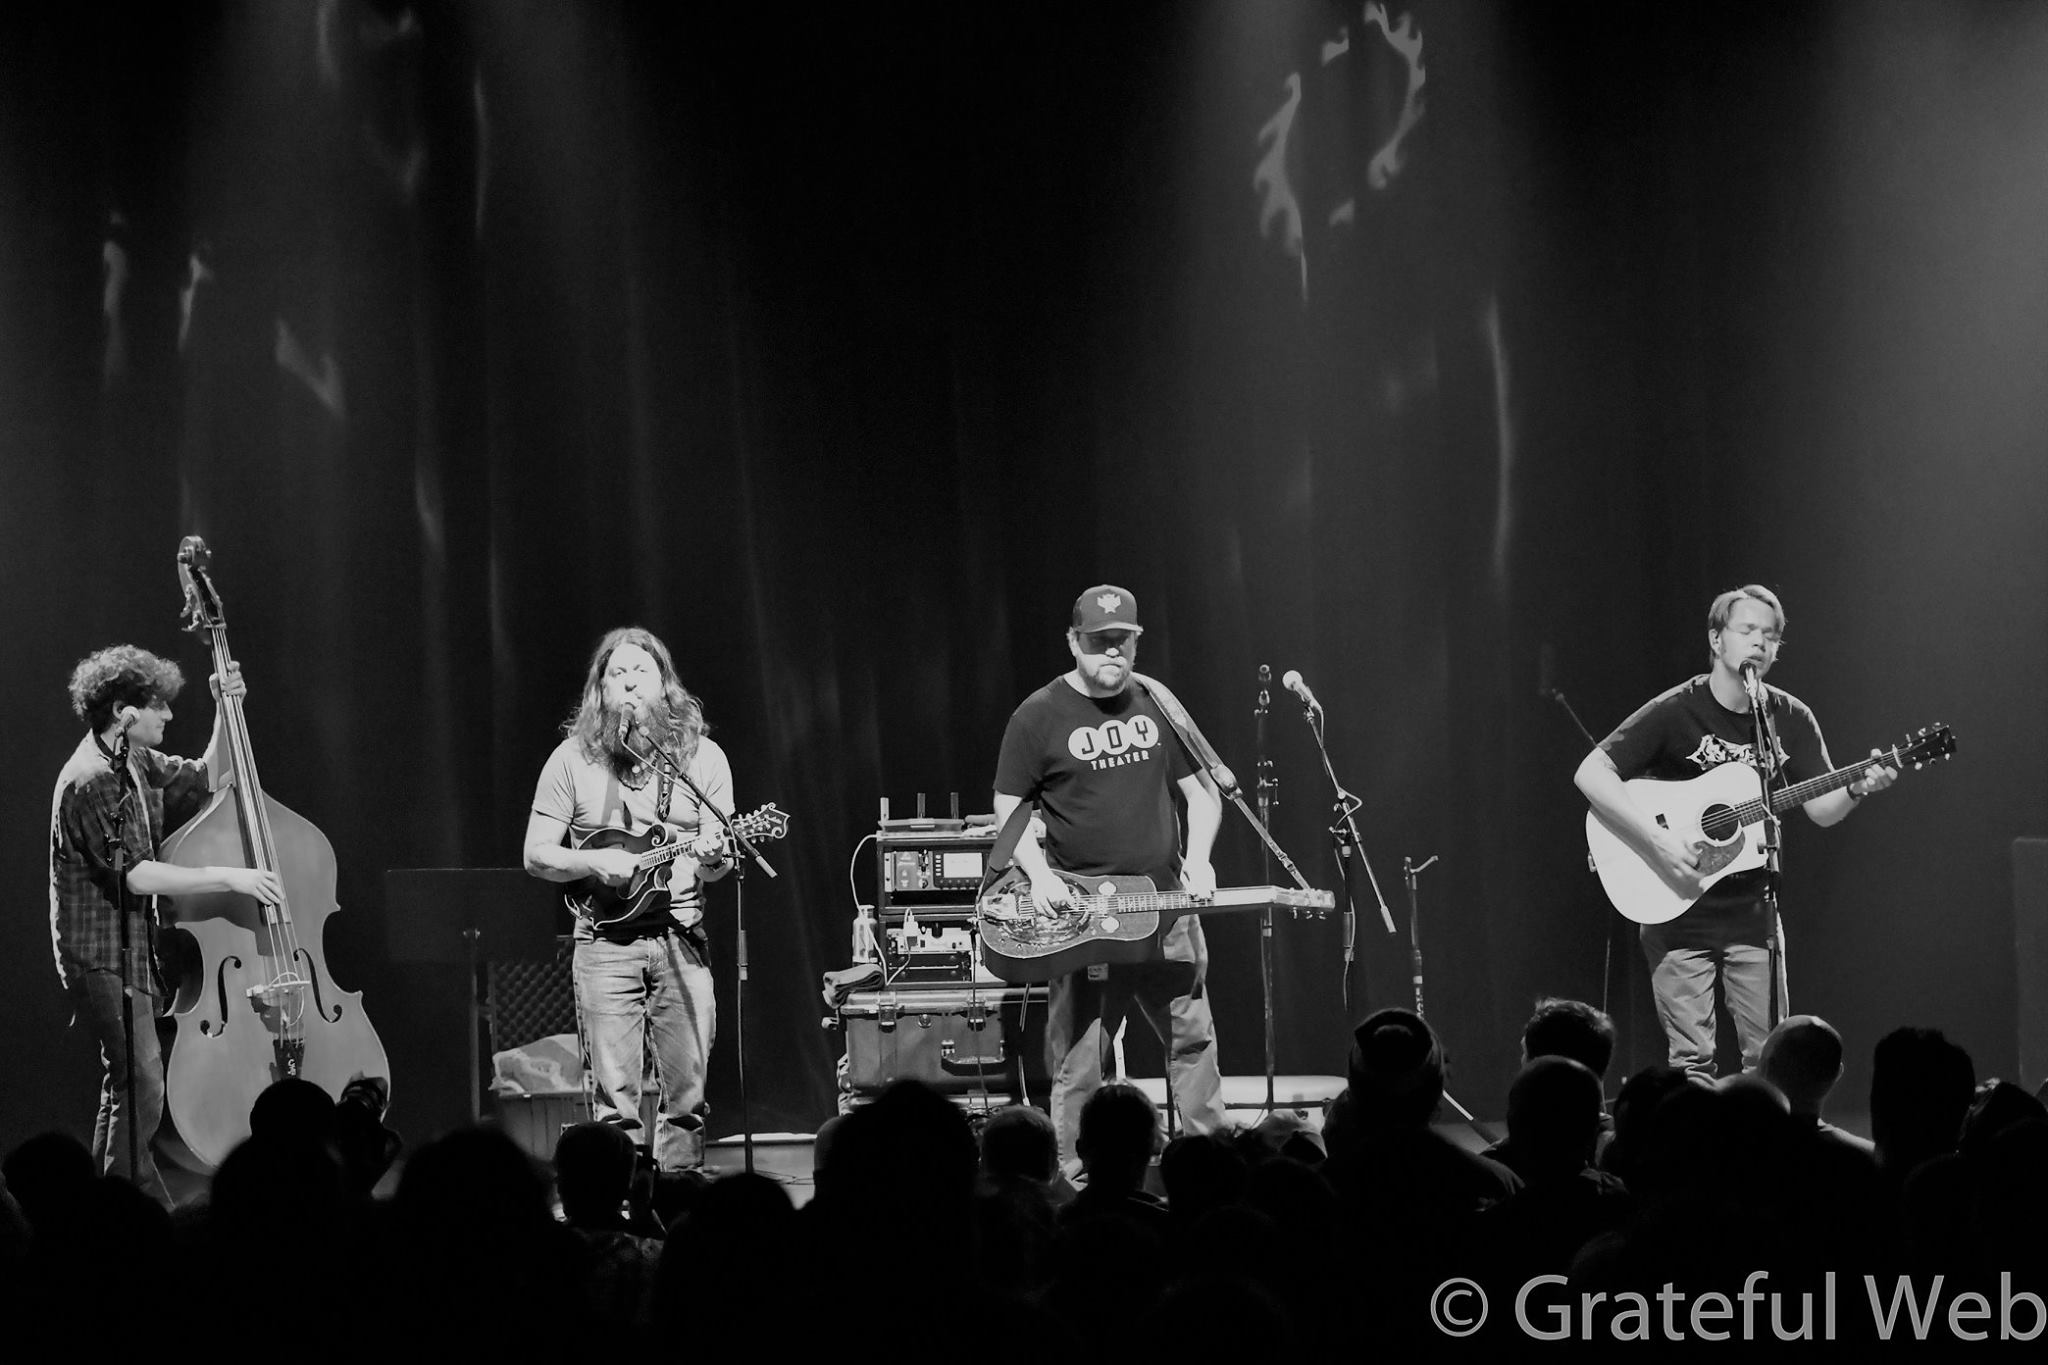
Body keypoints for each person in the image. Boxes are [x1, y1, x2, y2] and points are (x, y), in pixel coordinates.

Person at [1574, 585, 1897, 1079]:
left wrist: (1858, 788)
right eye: (1747, 631)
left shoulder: (1788, 717)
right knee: (1692, 1062)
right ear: (1717, 639)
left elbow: (1819, 809)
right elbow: (1591, 772)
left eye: (1770, 636)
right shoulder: (1677, 708)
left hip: (1753, 910)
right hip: (1676, 904)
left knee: (1771, 1059)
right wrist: (1656, 840)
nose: (1760, 644)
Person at [992, 584, 1227, 1180]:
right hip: (1087, 917)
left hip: (1169, 907)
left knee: (1193, 1042)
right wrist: (1039, 875)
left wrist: (1199, 859)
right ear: (1073, 642)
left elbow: (1202, 794)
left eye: (1123, 641)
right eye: (1099, 643)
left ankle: (1209, 1171)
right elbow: (1008, 811)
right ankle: (1072, 1185)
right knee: (1081, 1059)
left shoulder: (1157, 702)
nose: (1113, 653)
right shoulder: (1037, 715)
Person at [48, 645, 283, 1205]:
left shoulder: (134, 761)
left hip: (130, 951)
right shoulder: (91, 780)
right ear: (125, 713)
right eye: (159, 707)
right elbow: (136, 876)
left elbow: (208, 775)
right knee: (145, 1080)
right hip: (97, 954)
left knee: (127, 1087)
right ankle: (144, 1206)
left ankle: (104, 1202)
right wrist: (234, 876)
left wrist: (227, 705)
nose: (169, 717)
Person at [524, 627, 732, 1172]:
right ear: (600, 692)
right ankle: (616, 1213)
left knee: (687, 1098)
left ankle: (678, 1199)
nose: (631, 684)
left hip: (682, 940)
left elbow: (719, 863)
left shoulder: (702, 758)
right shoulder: (571, 760)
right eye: (618, 674)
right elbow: (536, 855)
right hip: (605, 943)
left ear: (666, 685)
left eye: (642, 672)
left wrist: (713, 855)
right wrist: (593, 861)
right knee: (615, 1104)